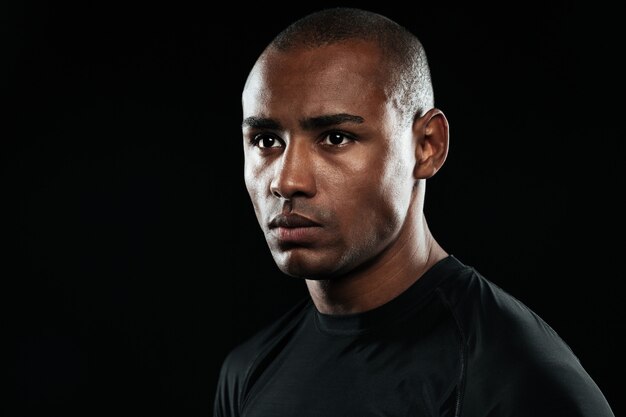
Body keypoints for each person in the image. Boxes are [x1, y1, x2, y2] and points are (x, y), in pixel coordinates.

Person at [213, 7, 615, 416]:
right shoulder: (247, 372)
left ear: (427, 146)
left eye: (335, 137)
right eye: (265, 141)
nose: (286, 181)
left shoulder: (515, 378)